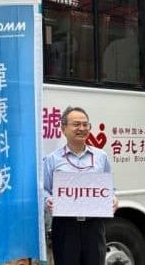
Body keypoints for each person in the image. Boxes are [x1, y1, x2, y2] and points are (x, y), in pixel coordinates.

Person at [43, 106, 118, 265]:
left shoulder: (101, 157)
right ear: (64, 128)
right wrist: (48, 200)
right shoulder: (52, 159)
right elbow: (44, 189)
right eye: (76, 124)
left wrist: (113, 198)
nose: (82, 128)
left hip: (94, 226)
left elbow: (110, 188)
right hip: (65, 227)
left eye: (85, 125)